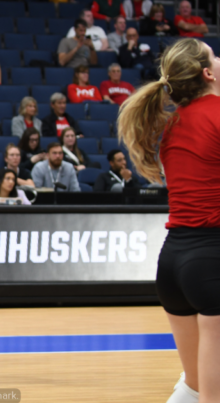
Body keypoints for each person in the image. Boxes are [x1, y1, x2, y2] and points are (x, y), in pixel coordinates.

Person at [118, 37, 220, 403]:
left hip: (173, 265)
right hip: (210, 263)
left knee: (193, 388)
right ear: (208, 73)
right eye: (215, 55)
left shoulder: (172, 127)